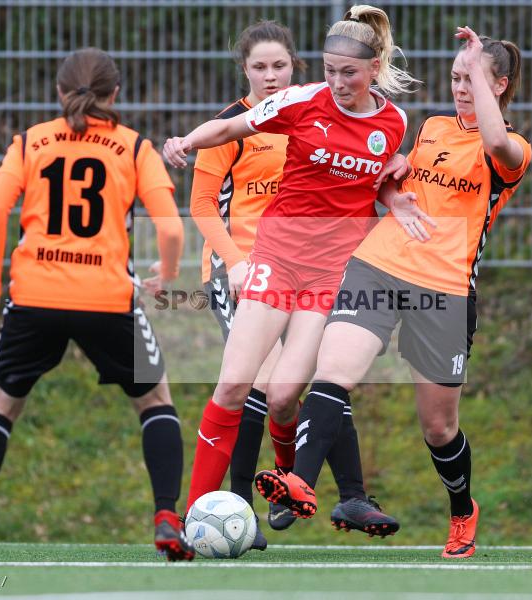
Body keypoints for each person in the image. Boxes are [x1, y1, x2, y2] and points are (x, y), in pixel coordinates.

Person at [260, 26, 531, 556]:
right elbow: (391, 184)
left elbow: (496, 143)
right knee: (333, 372)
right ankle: (301, 484)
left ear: (497, 86)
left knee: (438, 426)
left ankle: (462, 510)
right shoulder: (430, 127)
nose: (459, 87)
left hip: (444, 288)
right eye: (455, 77)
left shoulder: (511, 147)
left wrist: (477, 74)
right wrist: (395, 177)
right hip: (377, 266)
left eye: (471, 79)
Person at [165, 5, 420, 537]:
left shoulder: (392, 123)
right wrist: (187, 141)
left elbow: (383, 181)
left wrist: (398, 194)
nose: (336, 82)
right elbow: (232, 125)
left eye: (348, 73)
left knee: (284, 396)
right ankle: (191, 519)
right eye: (328, 70)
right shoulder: (303, 100)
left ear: (374, 67)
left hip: (331, 275)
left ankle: (286, 483)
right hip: (276, 259)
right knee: (234, 384)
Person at [0, 48, 193, 562]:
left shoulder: (30, 142)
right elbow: (169, 227)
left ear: (59, 93)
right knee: (156, 402)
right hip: (106, 296)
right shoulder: (134, 148)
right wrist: (165, 277)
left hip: (35, 297)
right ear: (115, 95)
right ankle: (167, 517)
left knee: (0, 404)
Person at [189, 20, 305, 548]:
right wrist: (235, 262)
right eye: (259, 66)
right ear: (245, 71)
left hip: (293, 268)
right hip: (234, 269)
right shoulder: (230, 126)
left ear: (294, 67)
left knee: (284, 388)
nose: (270, 75)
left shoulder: (305, 120)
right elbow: (200, 206)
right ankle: (224, 510)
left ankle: (279, 484)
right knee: (248, 382)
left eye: (279, 65)